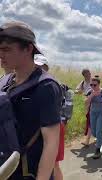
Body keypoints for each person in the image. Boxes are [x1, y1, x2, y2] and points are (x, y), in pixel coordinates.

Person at [0, 21, 62, 180]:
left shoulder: (46, 86)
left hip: (30, 173)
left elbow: (51, 143)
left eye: (6, 49)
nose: (1, 54)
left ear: (28, 49)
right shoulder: (5, 81)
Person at [85, 75, 102, 159]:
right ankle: (101, 140)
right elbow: (86, 102)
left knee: (99, 131)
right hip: (93, 113)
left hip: (101, 113)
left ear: (99, 84)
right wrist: (92, 95)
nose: (93, 86)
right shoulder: (90, 92)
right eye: (91, 85)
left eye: (95, 85)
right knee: (94, 132)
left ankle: (98, 150)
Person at [76, 69, 92, 147]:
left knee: (90, 121)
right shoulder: (82, 83)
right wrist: (79, 91)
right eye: (86, 74)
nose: (88, 75)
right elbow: (77, 90)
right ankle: (96, 134)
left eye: (88, 73)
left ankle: (87, 140)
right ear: (84, 75)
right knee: (89, 120)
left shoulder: (94, 81)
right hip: (87, 103)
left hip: (95, 103)